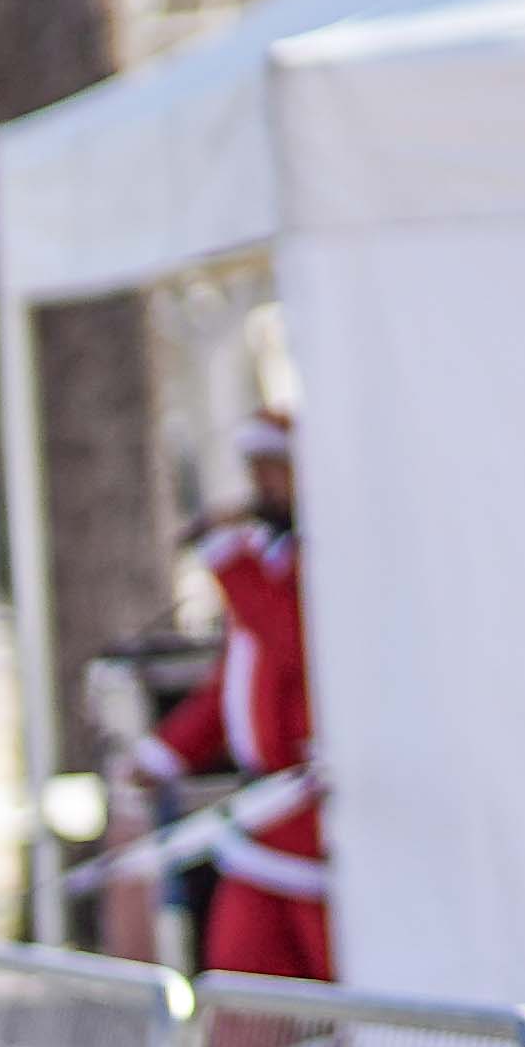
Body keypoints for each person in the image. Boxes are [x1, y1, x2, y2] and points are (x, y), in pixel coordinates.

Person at [142, 405, 324, 983]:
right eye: (255, 469)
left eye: (274, 468)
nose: (260, 485)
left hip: (314, 819)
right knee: (239, 973)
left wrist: (228, 560)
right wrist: (168, 752)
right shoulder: (265, 564)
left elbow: (293, 644)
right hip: (263, 816)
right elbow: (239, 676)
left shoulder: (314, 566)